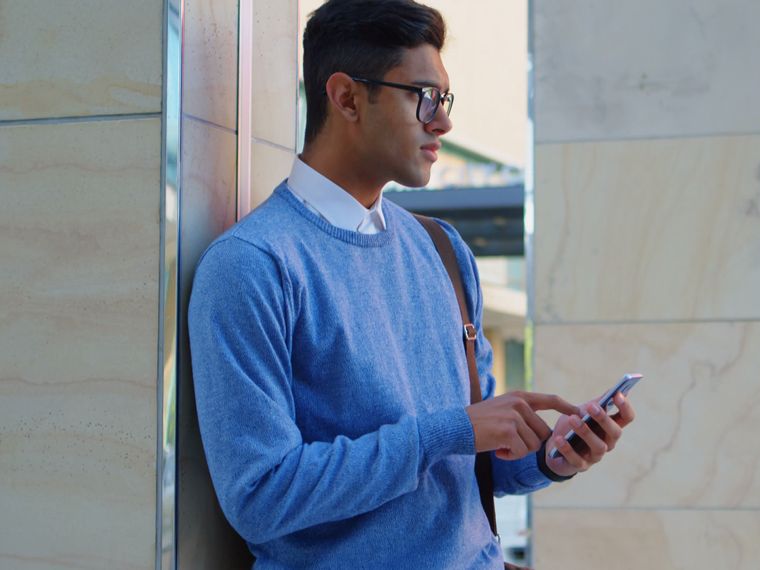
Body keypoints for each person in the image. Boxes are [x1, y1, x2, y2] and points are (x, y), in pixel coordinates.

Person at [187, 0, 636, 568]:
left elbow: (467, 463)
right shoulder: (252, 266)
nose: (442, 121)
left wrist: (551, 456)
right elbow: (260, 495)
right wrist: (441, 432)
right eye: (423, 96)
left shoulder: (442, 250)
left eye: (444, 99)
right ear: (347, 97)